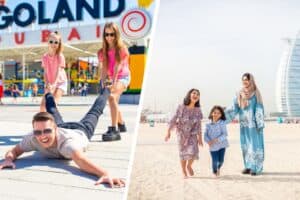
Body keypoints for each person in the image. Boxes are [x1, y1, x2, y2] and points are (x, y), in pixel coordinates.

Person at [0, 87, 125, 187]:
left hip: (81, 130)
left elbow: (80, 161)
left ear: (55, 129)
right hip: (62, 126)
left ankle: (106, 90)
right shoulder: (33, 138)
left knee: (95, 112)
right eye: (38, 132)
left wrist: (104, 174)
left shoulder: (68, 144)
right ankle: (49, 92)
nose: (42, 136)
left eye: (47, 131)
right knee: (52, 110)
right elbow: (15, 150)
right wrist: (8, 160)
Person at [225, 73, 264, 176]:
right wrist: (222, 115)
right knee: (245, 145)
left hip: (254, 124)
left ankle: (255, 167)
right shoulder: (239, 93)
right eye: (243, 80)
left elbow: (259, 107)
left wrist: (259, 123)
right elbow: (234, 108)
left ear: (251, 80)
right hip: (244, 125)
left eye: (246, 79)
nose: (245, 82)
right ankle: (248, 166)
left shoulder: (256, 93)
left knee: (254, 145)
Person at [98, 22, 131, 141]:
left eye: (112, 34)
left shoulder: (121, 49)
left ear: (116, 35)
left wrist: (113, 82)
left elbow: (118, 66)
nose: (109, 37)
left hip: (122, 76)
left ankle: (114, 129)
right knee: (113, 101)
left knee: (112, 97)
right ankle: (121, 124)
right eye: (106, 34)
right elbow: (105, 68)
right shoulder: (102, 52)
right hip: (112, 78)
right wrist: (103, 82)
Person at [165, 88, 203, 179]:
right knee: (183, 153)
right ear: (189, 95)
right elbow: (173, 119)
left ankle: (189, 166)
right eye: (194, 93)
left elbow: (198, 125)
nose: (196, 95)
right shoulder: (181, 107)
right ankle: (183, 171)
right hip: (181, 133)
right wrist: (168, 132)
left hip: (192, 134)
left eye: (198, 94)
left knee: (194, 152)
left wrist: (200, 138)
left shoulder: (198, 110)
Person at [40, 31, 68, 112]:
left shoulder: (60, 56)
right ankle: (43, 123)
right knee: (42, 106)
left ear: (59, 44)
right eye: (51, 41)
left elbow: (58, 72)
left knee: (53, 105)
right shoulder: (45, 57)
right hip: (50, 82)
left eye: (56, 42)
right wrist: (47, 84)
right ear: (48, 42)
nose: (53, 44)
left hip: (60, 82)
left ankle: (55, 122)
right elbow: (45, 72)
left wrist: (54, 85)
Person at [204, 106, 229, 177]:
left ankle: (218, 168)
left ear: (221, 115)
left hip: (222, 144)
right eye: (214, 112)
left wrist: (217, 139)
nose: (216, 114)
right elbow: (205, 135)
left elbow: (225, 134)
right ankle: (214, 171)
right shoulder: (208, 124)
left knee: (221, 161)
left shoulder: (222, 123)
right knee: (215, 161)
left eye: (218, 113)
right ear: (211, 113)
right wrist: (208, 141)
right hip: (213, 146)